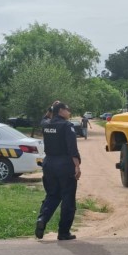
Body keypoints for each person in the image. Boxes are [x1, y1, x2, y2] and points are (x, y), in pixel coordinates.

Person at [35, 102, 81, 241]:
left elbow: (44, 118)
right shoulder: (67, 126)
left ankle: (42, 218)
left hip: (49, 163)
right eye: (68, 109)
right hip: (64, 165)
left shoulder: (46, 124)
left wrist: (51, 107)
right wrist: (77, 166)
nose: (69, 112)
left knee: (52, 195)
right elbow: (72, 148)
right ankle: (63, 232)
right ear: (61, 111)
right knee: (68, 198)